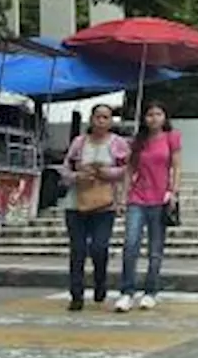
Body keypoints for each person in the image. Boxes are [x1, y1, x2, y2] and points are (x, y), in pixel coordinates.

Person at [59, 104, 129, 311]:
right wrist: (76, 176)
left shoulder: (118, 143)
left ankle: (100, 282)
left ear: (110, 121)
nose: (101, 121)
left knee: (99, 247)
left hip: (104, 204)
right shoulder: (79, 143)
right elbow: (65, 168)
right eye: (98, 116)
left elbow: (128, 168)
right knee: (77, 250)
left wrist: (109, 173)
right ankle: (76, 294)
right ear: (91, 119)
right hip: (76, 202)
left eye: (106, 117)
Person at [116, 100, 181, 312]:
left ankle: (150, 291)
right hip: (138, 197)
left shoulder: (172, 138)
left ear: (165, 117)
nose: (154, 118)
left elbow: (177, 166)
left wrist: (173, 192)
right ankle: (127, 291)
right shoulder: (138, 141)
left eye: (158, 114)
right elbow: (129, 170)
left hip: (160, 198)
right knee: (130, 244)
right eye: (150, 114)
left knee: (155, 249)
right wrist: (123, 196)